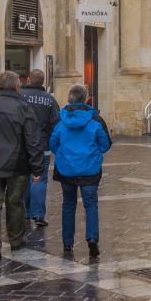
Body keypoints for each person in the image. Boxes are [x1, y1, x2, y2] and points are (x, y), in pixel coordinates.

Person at [0, 71, 44, 262]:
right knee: (15, 202)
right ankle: (16, 239)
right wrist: (37, 168)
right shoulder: (23, 107)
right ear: (17, 87)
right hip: (18, 164)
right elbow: (33, 140)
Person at [50, 85, 111, 257]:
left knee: (68, 204)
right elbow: (105, 145)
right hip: (90, 168)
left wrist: (63, 155)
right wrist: (94, 153)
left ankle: (67, 243)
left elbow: (53, 143)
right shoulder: (96, 120)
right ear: (86, 99)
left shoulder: (60, 121)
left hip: (66, 168)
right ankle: (92, 238)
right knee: (90, 204)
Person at [20, 69, 60, 228]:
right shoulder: (50, 100)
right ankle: (38, 215)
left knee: (24, 178)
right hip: (42, 145)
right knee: (39, 179)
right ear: (42, 82)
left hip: (22, 146)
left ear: (28, 80)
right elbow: (56, 124)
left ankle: (25, 211)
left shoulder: (19, 96)